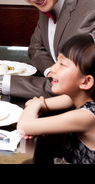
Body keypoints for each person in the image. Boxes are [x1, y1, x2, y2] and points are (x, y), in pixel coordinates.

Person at [16, 33, 95, 164]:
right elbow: (37, 106)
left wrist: (35, 106)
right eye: (56, 61)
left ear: (86, 82)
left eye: (62, 64)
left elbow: (24, 125)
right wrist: (36, 107)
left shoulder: (87, 116)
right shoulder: (74, 98)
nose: (53, 68)